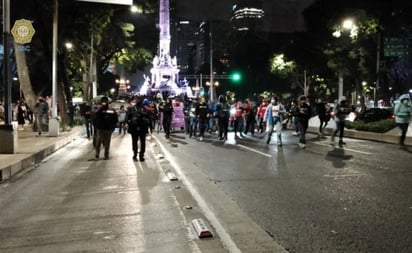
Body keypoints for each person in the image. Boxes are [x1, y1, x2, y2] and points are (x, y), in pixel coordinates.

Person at [126, 96, 150, 161]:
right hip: (134, 127)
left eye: (139, 99)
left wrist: (142, 114)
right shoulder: (131, 108)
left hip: (142, 127)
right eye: (136, 99)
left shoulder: (144, 108)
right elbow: (128, 117)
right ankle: (135, 154)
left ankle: (141, 155)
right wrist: (130, 121)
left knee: (143, 142)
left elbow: (148, 116)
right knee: (134, 142)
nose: (137, 100)